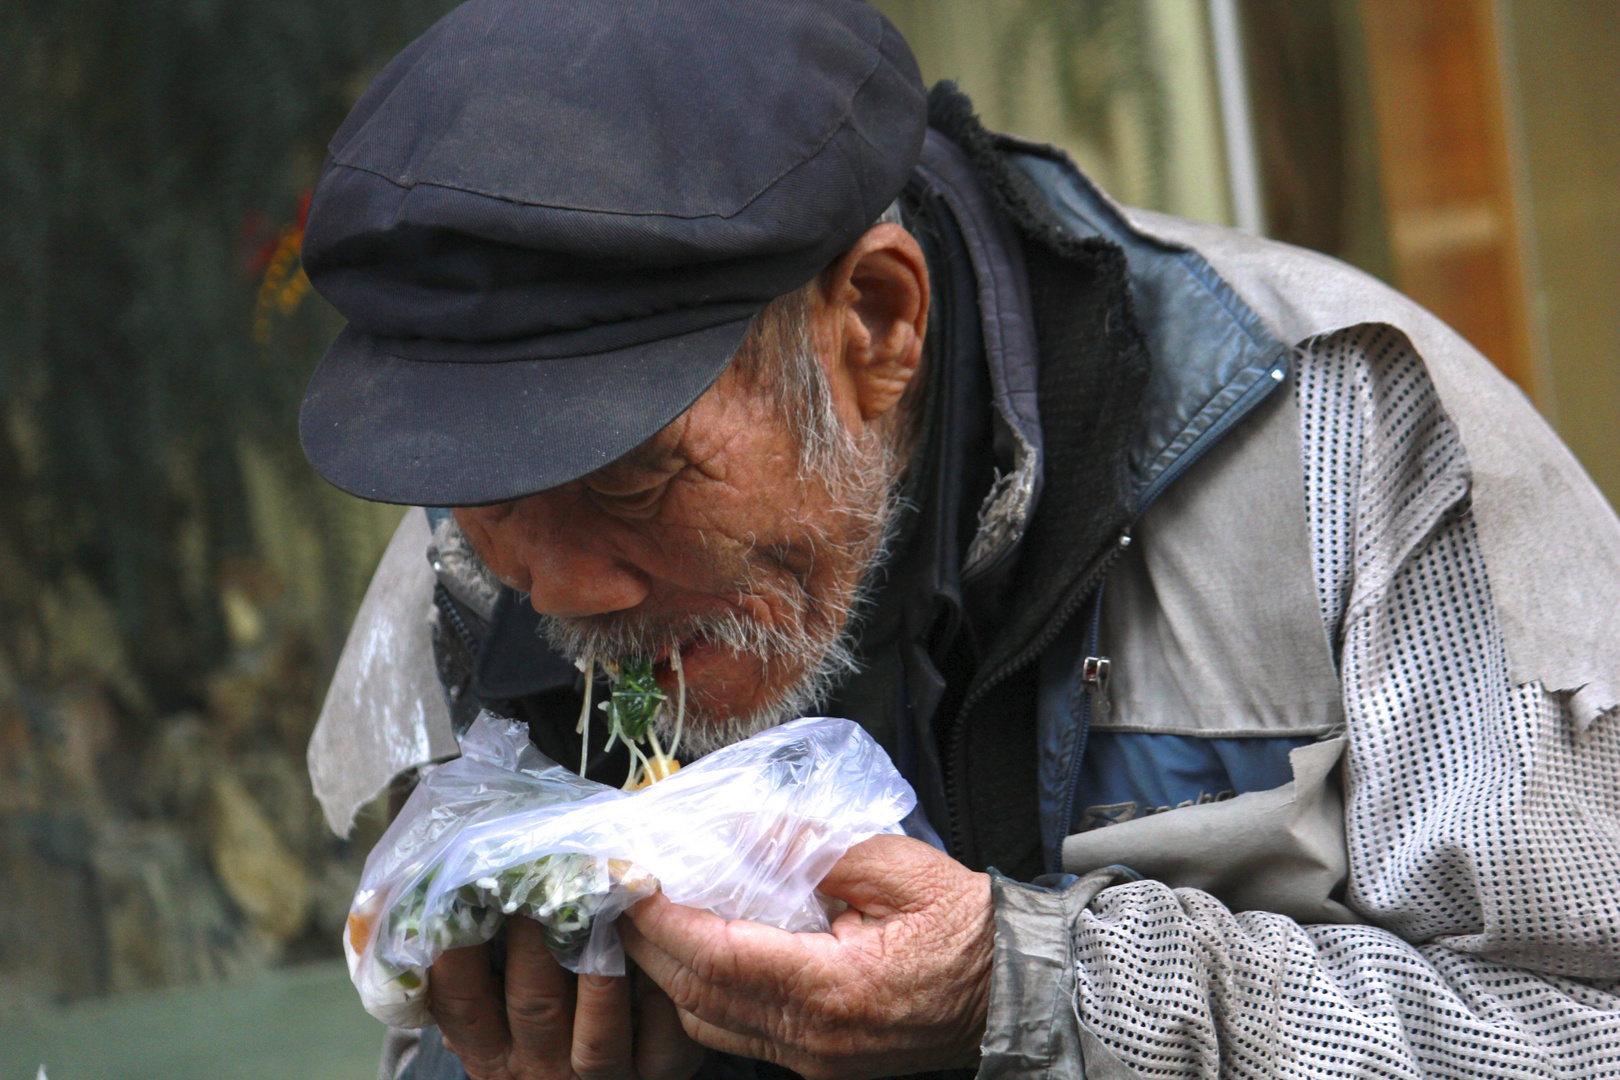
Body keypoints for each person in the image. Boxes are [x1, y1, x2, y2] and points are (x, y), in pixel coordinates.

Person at [298, 3, 1620, 1079]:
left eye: (638, 483)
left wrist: (1045, 992)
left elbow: (1585, 1035)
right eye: (493, 495)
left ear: (875, 321)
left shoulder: (1341, 446)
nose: (561, 584)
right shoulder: (467, 564)